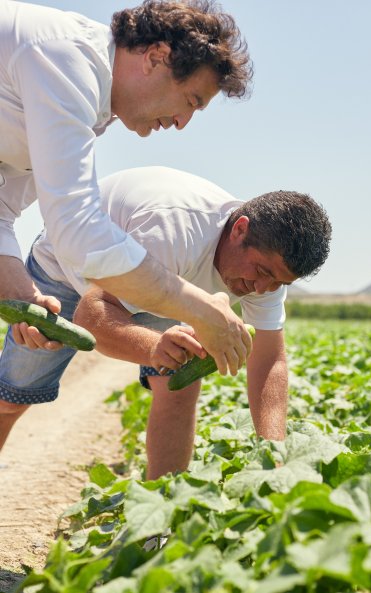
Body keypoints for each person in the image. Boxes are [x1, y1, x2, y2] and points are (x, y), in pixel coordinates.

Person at [0, 166, 332, 463]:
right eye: (261, 271)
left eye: (277, 282)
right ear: (239, 230)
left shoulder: (269, 275)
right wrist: (154, 346)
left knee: (179, 386)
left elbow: (270, 359)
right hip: (65, 270)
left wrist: (274, 452)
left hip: (168, 286)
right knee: (13, 396)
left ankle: (158, 525)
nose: (261, 288)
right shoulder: (173, 231)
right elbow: (93, 314)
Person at [0, 0, 254, 375]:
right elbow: (81, 232)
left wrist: (21, 295)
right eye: (191, 100)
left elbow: (3, 207)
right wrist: (200, 309)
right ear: (156, 57)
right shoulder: (68, 63)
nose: (183, 122)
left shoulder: (93, 108)